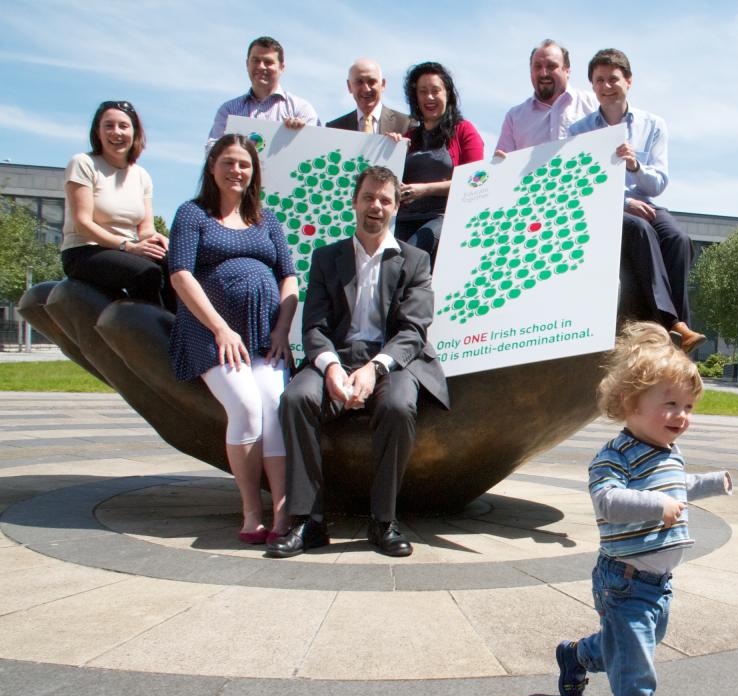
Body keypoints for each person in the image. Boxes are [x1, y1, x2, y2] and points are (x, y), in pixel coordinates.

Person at [555, 321, 731, 696]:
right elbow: (607, 500)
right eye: (670, 403)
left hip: (657, 582)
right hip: (624, 579)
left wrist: (711, 483)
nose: (682, 416)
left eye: (688, 406)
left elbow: (677, 486)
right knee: (636, 660)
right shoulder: (614, 455)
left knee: (625, 645)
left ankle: (577, 656)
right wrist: (655, 505)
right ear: (630, 403)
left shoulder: (667, 452)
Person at [269, 166, 450, 559]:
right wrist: (332, 368)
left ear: (396, 207)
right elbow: (314, 327)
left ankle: (383, 521)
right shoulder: (325, 258)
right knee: (295, 399)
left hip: (394, 362)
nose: (376, 206)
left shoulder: (415, 261)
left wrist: (375, 369)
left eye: (385, 199)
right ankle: (308, 522)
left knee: (399, 405)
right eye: (369, 197)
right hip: (337, 356)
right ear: (354, 202)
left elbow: (413, 331)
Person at [168, 133, 299, 544]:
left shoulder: (267, 219)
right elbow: (180, 273)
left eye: (244, 164)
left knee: (275, 406)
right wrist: (220, 328)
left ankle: (282, 509)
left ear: (254, 171)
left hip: (265, 334)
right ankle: (250, 510)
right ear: (212, 167)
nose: (236, 170)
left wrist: (281, 328)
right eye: (228, 162)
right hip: (212, 333)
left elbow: (289, 277)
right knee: (245, 405)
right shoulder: (193, 214)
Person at [568, 49, 705, 352]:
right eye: (599, 81)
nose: (606, 86)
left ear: (628, 81)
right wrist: (623, 204)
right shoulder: (578, 131)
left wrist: (634, 166)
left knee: (679, 239)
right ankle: (672, 324)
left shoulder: (653, 125)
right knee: (640, 230)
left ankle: (680, 327)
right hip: (603, 208)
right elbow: (578, 185)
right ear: (592, 86)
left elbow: (657, 184)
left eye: (613, 79)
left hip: (646, 202)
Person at [60, 100, 173, 309]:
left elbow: (146, 229)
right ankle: (148, 334)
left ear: (135, 132)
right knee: (146, 273)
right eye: (109, 126)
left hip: (128, 249)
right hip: (86, 250)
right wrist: (127, 246)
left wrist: (161, 241)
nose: (116, 132)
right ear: (98, 132)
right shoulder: (83, 163)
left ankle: (181, 333)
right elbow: (82, 223)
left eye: (123, 126)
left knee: (177, 266)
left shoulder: (141, 175)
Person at [393, 62, 484, 262]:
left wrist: (425, 190)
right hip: (405, 217)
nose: (429, 97)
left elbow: (475, 182)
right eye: (423, 92)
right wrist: (390, 148)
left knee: (409, 256)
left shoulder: (464, 130)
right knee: (388, 261)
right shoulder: (408, 136)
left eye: (435, 90)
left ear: (448, 94)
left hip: (443, 217)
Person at [207, 36, 320, 149]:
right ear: (247, 64)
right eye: (255, 60)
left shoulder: (300, 110)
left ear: (281, 67)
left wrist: (304, 134)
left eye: (268, 62)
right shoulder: (229, 111)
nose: (261, 66)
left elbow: (315, 149)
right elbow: (212, 151)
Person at [493, 39, 597, 156]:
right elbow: (502, 164)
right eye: (537, 67)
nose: (544, 73)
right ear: (531, 72)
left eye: (551, 66)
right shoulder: (514, 118)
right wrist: (500, 165)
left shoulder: (594, 104)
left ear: (567, 71)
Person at [326, 58, 410, 141]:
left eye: (372, 81)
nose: (366, 89)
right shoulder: (333, 129)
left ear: (383, 84)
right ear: (349, 86)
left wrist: (398, 148)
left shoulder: (406, 124)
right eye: (359, 82)